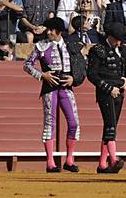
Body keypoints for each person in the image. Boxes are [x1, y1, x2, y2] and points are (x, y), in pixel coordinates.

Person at [23, 16, 82, 172]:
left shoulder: (71, 45)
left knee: (74, 123)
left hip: (66, 87)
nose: (48, 32)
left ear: (59, 31)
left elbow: (81, 65)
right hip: (49, 89)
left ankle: (69, 160)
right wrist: (42, 75)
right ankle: (50, 162)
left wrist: (74, 78)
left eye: (51, 29)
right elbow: (27, 65)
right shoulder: (41, 46)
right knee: (50, 124)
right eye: (47, 29)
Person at [86, 20, 126, 174]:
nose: (119, 42)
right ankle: (113, 159)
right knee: (111, 125)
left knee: (110, 126)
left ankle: (102, 164)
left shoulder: (124, 52)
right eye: (117, 39)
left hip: (119, 93)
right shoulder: (98, 50)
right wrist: (109, 88)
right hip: (105, 93)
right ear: (110, 36)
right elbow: (92, 74)